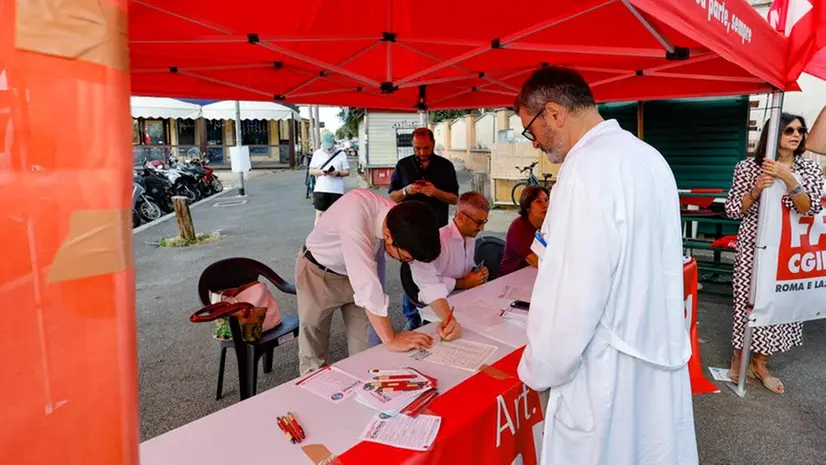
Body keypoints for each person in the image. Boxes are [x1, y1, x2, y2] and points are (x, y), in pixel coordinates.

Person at [514, 66, 698, 465]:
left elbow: (571, 295)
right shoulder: (649, 158)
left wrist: (537, 368)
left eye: (531, 130)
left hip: (605, 374)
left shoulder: (583, 172)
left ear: (554, 113)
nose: (535, 145)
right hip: (653, 351)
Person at [295, 189, 462, 375]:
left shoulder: (404, 225)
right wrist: (391, 338)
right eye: (406, 258)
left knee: (366, 350)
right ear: (388, 237)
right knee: (313, 349)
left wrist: (448, 319)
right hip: (318, 272)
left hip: (356, 279)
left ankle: (364, 397)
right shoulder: (355, 214)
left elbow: (427, 278)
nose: (408, 262)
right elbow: (367, 285)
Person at [724, 113, 824, 393]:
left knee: (780, 303)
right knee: (748, 300)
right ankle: (738, 356)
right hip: (753, 247)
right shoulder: (748, 167)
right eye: (788, 130)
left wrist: (788, 178)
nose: (797, 135)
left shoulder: (809, 169)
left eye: (801, 130)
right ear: (773, 134)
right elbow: (733, 210)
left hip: (789, 249)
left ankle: (760, 362)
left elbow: (810, 208)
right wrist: (756, 189)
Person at [389, 127, 460, 329]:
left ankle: (437, 312)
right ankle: (412, 318)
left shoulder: (445, 166)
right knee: (410, 274)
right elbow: (392, 196)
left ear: (434, 144)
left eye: (426, 148)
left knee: (436, 272)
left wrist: (435, 192)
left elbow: (455, 198)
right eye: (417, 148)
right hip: (407, 231)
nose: (421, 152)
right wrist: (406, 190)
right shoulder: (403, 165)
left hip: (438, 229)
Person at [408, 192, 491, 314]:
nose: (482, 228)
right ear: (462, 218)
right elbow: (428, 284)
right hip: (439, 304)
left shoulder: (470, 237)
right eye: (479, 222)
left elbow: (464, 269)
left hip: (465, 297)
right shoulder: (438, 241)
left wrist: (477, 273)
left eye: (484, 222)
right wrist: (463, 283)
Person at [499, 186, 549, 276]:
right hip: (513, 277)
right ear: (528, 207)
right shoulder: (519, 227)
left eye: (546, 200)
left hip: (534, 273)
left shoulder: (546, 224)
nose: (545, 205)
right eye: (538, 202)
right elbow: (537, 262)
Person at [309, 133, 349, 225]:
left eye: (330, 146)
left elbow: (347, 172)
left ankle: (333, 236)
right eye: (326, 145)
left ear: (333, 143)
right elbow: (311, 171)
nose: (328, 148)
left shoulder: (341, 154)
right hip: (321, 189)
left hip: (336, 190)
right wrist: (321, 172)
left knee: (336, 216)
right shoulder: (317, 153)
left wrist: (337, 173)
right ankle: (318, 236)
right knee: (319, 214)